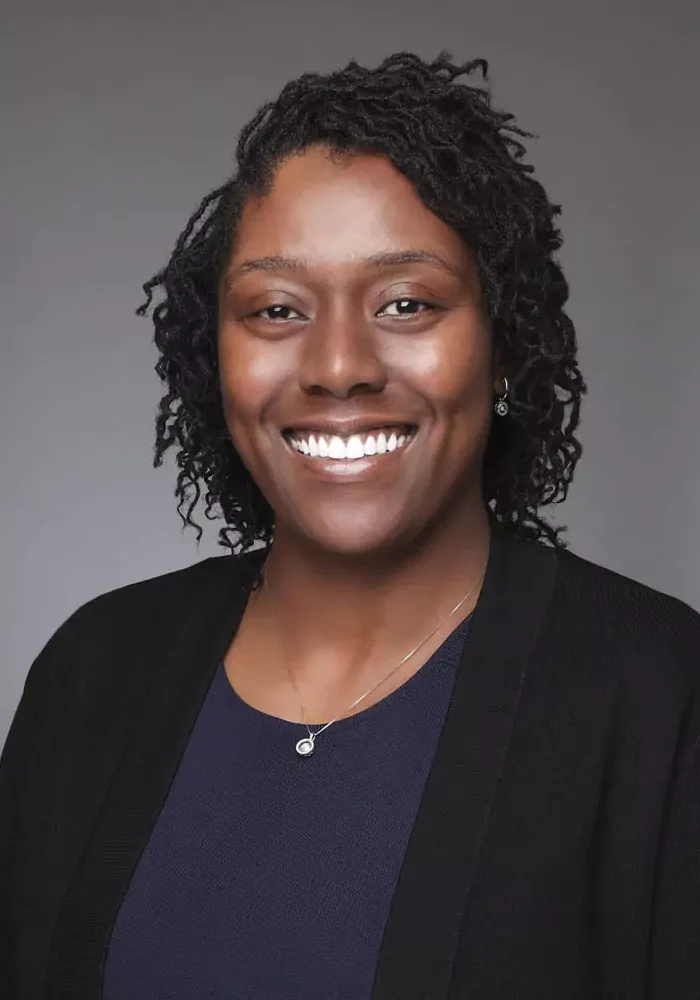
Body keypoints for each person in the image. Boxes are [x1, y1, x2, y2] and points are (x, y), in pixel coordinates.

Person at [1, 50, 698, 1000]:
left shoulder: (659, 696)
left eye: (407, 302)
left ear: (502, 346)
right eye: (277, 308)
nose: (338, 365)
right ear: (220, 361)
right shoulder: (93, 673)